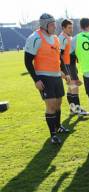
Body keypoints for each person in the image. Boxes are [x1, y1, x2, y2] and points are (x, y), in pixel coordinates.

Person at [24, 13, 69, 145]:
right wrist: (36, 80)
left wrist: (65, 73)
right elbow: (27, 61)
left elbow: (59, 58)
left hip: (56, 76)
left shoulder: (55, 38)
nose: (54, 27)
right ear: (44, 25)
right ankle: (53, 135)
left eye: (55, 24)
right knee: (50, 105)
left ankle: (58, 126)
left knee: (58, 103)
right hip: (44, 77)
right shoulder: (35, 38)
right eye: (51, 24)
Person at [59, 19, 89, 116]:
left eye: (71, 27)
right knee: (74, 87)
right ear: (63, 28)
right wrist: (64, 71)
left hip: (71, 65)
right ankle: (79, 110)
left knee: (70, 88)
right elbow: (60, 55)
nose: (71, 29)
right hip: (68, 66)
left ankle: (73, 109)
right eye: (69, 28)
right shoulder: (62, 38)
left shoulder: (69, 37)